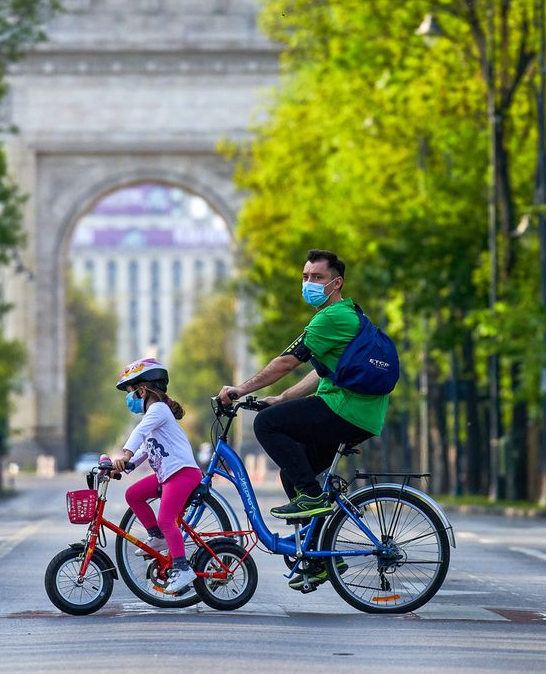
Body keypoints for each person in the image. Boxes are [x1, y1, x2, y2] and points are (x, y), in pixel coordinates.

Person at [217, 249, 389, 590]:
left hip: (346, 409)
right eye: (306, 276)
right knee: (292, 471)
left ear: (336, 283)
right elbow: (318, 375)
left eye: (317, 278)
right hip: (358, 413)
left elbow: (286, 362)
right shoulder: (346, 313)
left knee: (267, 425)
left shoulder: (330, 318)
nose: (309, 283)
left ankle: (312, 496)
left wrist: (239, 389)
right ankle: (321, 558)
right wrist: (280, 398)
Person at [112, 357, 200, 595]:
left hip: (182, 473)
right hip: (168, 475)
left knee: (166, 519)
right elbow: (145, 448)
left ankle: (182, 569)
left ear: (142, 390)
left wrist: (124, 453)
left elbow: (139, 433)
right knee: (134, 494)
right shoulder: (154, 413)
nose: (129, 399)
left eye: (131, 392)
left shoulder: (158, 410)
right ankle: (157, 538)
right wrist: (124, 465)